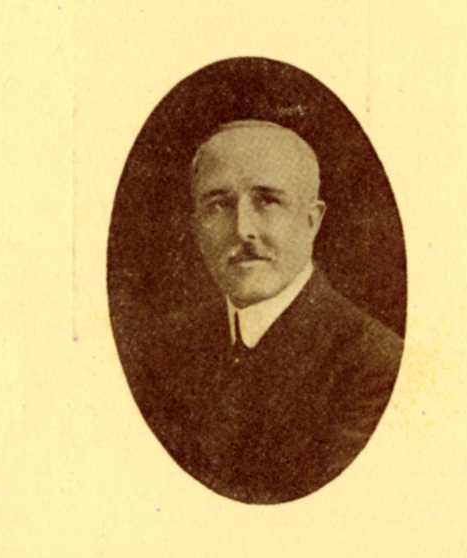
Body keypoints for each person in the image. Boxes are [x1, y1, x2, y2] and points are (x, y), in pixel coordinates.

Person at [139, 120, 403, 504]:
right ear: (196, 227)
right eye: (219, 205)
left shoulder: (375, 366)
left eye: (267, 201)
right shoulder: (163, 351)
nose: (242, 229)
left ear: (312, 221)